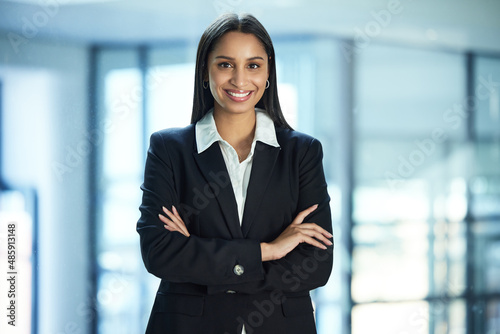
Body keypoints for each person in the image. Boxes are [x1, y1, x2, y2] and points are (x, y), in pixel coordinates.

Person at [137, 13, 333, 334]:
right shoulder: (169, 149)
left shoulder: (303, 153)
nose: (240, 80)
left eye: (253, 65)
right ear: (205, 71)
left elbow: (315, 266)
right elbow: (160, 253)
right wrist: (268, 251)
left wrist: (201, 256)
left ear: (268, 71)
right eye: (225, 64)